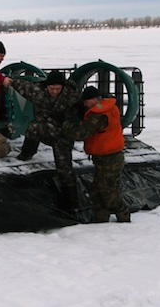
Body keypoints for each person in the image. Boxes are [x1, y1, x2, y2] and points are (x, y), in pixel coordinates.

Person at [11, 69, 81, 209]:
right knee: (33, 128)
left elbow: (87, 108)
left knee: (65, 169)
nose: (54, 91)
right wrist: (8, 81)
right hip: (44, 129)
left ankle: (72, 203)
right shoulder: (37, 91)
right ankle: (27, 153)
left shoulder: (72, 95)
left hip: (62, 136)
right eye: (52, 88)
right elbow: (21, 85)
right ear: (47, 86)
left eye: (58, 88)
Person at [62, 86, 131, 223]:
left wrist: (65, 123)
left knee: (108, 192)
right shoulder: (109, 107)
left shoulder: (98, 115)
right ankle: (101, 218)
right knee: (97, 190)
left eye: (86, 102)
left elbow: (81, 133)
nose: (85, 105)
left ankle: (123, 215)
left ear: (93, 100)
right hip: (105, 156)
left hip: (109, 158)